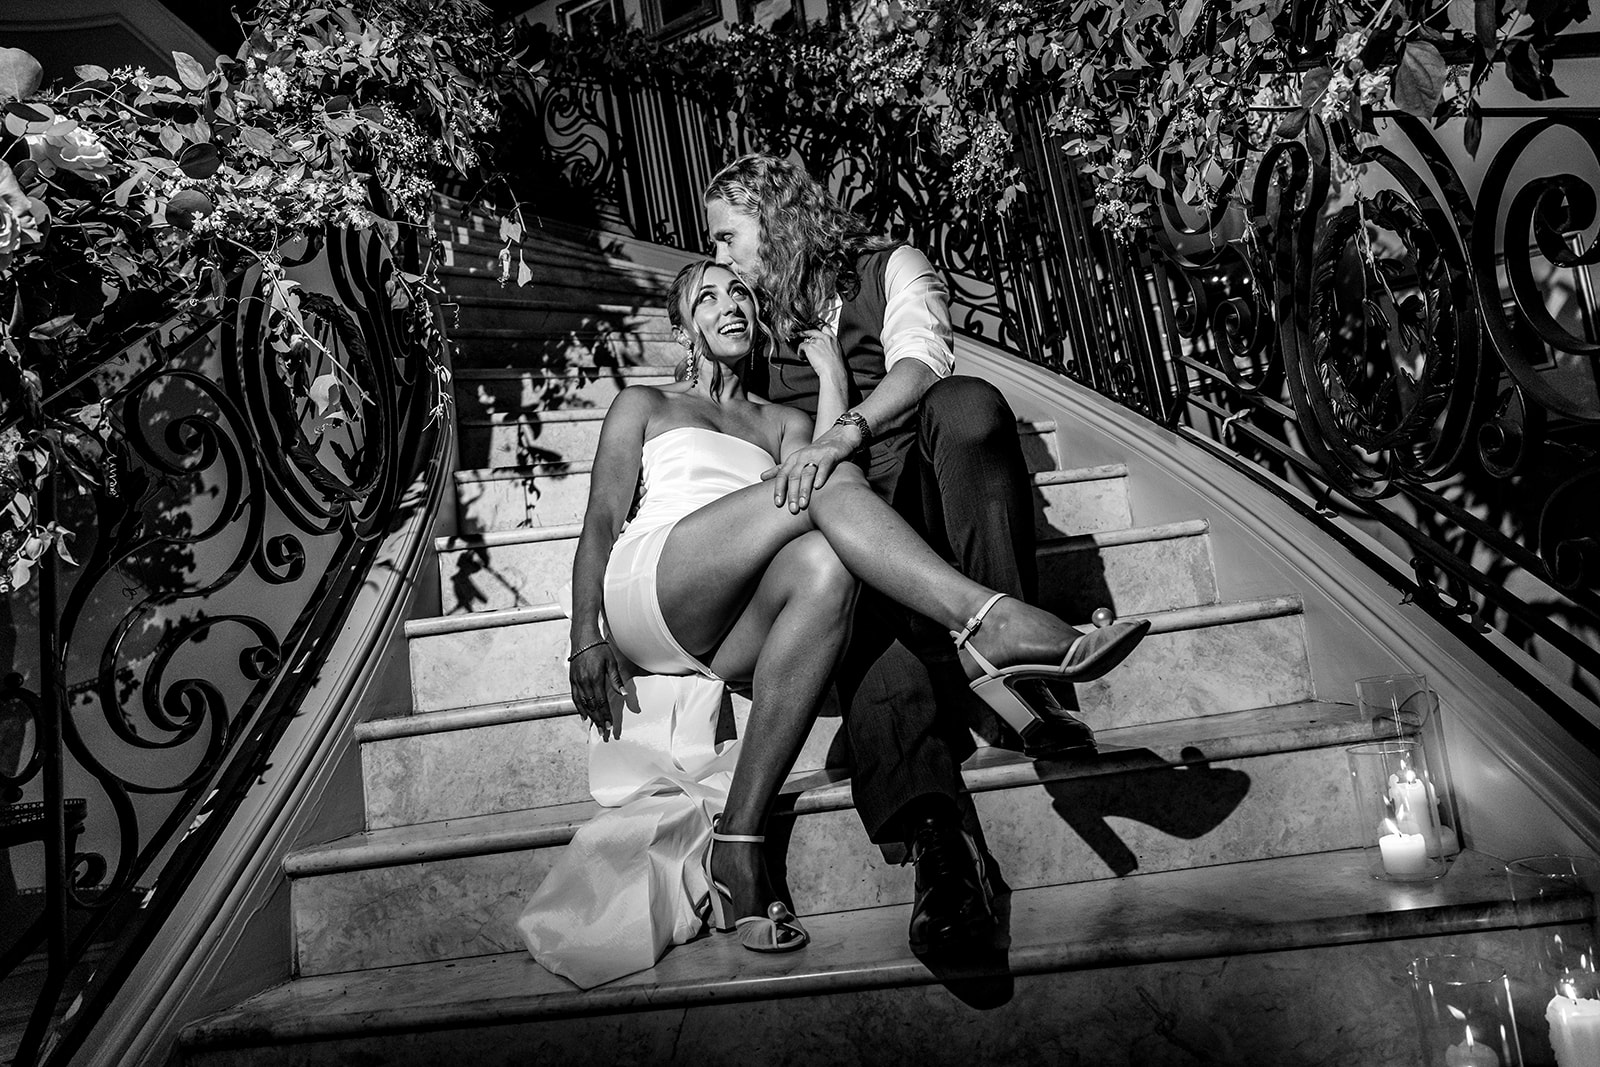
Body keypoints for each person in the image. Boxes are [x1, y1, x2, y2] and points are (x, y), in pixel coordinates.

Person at [565, 259, 1148, 959]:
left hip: (725, 627)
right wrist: (582, 635)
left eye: (742, 291)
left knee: (830, 554)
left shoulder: (780, 422)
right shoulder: (646, 405)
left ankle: (740, 839)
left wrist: (831, 370)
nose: (731, 305)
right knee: (821, 480)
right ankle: (988, 617)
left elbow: (828, 483)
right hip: (655, 579)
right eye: (708, 296)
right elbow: (601, 519)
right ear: (683, 323)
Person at [701, 153, 1146, 952]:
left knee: (970, 404)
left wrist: (849, 429)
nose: (723, 259)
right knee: (846, 590)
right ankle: (942, 853)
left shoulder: (892, 264)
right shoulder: (754, 326)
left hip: (934, 509)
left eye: (729, 238)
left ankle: (1014, 672)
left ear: (773, 214)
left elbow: (923, 359)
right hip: (847, 549)